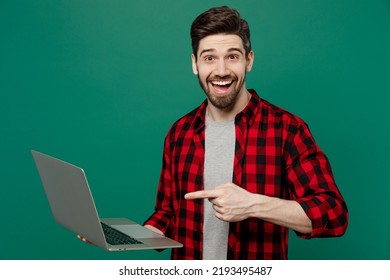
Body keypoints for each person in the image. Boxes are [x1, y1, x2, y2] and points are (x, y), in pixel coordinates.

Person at [143, 6, 348, 260]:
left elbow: (334, 215)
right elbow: (169, 214)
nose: (221, 71)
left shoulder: (287, 129)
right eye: (209, 58)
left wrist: (252, 204)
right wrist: (127, 238)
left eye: (232, 57)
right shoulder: (179, 133)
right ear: (195, 64)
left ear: (248, 60)